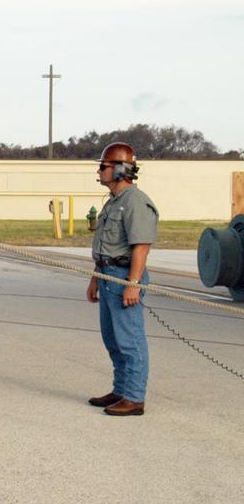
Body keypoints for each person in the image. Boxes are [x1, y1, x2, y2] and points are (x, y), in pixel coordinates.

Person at [86, 142, 158, 416]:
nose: (99, 170)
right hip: (106, 275)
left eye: (103, 166)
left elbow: (141, 246)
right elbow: (105, 245)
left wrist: (133, 284)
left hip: (124, 277)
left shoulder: (135, 202)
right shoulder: (113, 203)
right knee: (112, 339)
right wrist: (94, 279)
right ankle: (120, 390)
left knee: (130, 340)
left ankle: (135, 398)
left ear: (120, 169)